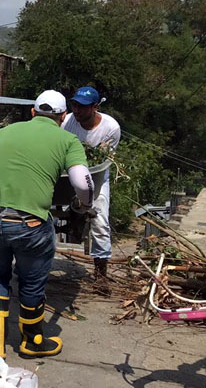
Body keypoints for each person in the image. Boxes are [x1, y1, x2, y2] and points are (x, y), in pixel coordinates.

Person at [0, 90, 94, 358]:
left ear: (33, 113)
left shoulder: (7, 132)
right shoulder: (68, 140)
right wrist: (85, 204)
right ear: (62, 117)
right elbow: (82, 183)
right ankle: (32, 341)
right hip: (31, 224)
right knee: (32, 281)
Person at [62, 86, 121, 279]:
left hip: (96, 175)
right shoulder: (68, 122)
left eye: (83, 106)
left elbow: (102, 159)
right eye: (75, 105)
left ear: (95, 107)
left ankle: (101, 274)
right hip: (68, 174)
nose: (77, 110)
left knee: (100, 220)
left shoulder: (111, 128)